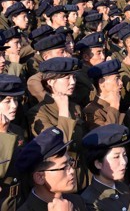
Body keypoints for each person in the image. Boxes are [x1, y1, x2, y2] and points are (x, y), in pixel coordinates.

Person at [29, 57, 89, 190]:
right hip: (59, 181)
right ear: (50, 81)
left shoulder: (75, 107)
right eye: (67, 78)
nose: (72, 82)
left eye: (73, 77)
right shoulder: (38, 113)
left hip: (83, 176)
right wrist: (63, 110)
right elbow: (59, 147)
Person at [81, 124, 130, 211]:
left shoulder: (122, 187)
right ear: (98, 163)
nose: (124, 162)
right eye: (116, 157)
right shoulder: (90, 201)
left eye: (124, 155)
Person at [16, 127, 87, 211]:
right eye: (64, 167)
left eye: (70, 162)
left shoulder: (76, 201)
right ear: (39, 177)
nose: (71, 171)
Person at [0, 74, 27, 210]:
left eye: (15, 100)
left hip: (19, 201)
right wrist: (3, 135)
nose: (14, 106)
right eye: (7, 101)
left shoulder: (16, 129)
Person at [84, 59, 123, 130]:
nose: (121, 83)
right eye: (116, 79)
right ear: (101, 82)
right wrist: (114, 106)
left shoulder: (119, 99)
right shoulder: (92, 110)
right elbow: (107, 135)